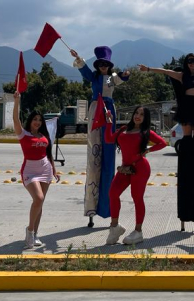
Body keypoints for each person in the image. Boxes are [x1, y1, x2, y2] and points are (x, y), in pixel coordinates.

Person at [139, 34, 194, 233]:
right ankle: (186, 157)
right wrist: (149, 69)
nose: (192, 64)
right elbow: (167, 72)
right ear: (186, 64)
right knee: (187, 138)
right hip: (187, 107)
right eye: (189, 61)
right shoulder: (183, 76)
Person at [71, 46, 130, 228]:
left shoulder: (112, 79)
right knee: (94, 156)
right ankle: (91, 208)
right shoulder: (94, 77)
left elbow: (122, 78)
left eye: (106, 64)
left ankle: (107, 207)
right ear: (98, 65)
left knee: (108, 155)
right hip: (96, 110)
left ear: (109, 65)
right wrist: (78, 57)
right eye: (101, 64)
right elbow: (84, 69)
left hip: (108, 112)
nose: (103, 66)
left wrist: (126, 74)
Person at [104, 106, 167, 245]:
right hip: (125, 169)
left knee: (137, 198)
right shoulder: (123, 129)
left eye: (142, 114)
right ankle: (115, 227)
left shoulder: (145, 132)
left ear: (146, 118)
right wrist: (109, 122)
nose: (138, 116)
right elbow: (109, 139)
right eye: (136, 113)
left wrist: (148, 150)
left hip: (140, 168)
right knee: (113, 193)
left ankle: (138, 231)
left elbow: (163, 143)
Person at [13, 91, 60, 249]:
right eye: (35, 119)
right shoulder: (23, 134)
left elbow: (49, 153)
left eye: (40, 120)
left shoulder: (43, 135)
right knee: (38, 199)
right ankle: (30, 231)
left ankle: (34, 235)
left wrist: (54, 170)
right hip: (30, 171)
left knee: (40, 203)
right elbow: (15, 119)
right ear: (30, 121)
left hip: (45, 169)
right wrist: (17, 101)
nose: (38, 122)